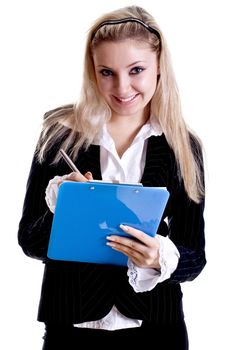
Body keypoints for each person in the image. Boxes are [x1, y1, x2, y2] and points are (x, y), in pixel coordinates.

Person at [18, 5, 206, 350]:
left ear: (159, 66)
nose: (122, 88)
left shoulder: (183, 145)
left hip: (157, 329)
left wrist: (159, 257)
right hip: (70, 327)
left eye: (136, 70)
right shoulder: (60, 136)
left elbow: (195, 257)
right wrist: (62, 206)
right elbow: (29, 240)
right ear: (92, 71)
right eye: (107, 72)